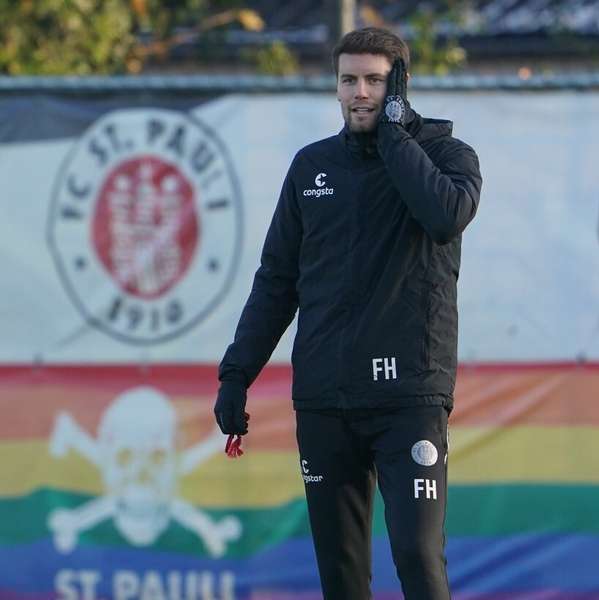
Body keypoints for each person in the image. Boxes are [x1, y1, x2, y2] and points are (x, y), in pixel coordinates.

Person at [214, 26, 482, 600]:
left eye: (375, 81)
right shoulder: (311, 167)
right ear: (335, 87)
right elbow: (276, 282)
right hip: (325, 399)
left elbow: (444, 217)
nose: (360, 92)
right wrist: (236, 375)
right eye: (349, 80)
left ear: (400, 87)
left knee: (416, 555)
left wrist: (395, 133)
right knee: (341, 575)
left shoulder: (445, 157)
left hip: (408, 398)